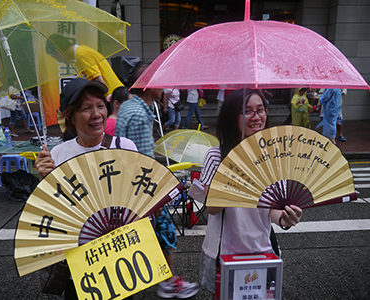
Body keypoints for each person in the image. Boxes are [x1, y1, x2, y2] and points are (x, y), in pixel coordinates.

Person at [35, 78, 137, 299]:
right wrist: (44, 180)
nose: (97, 114)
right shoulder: (57, 155)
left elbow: (138, 201)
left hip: (120, 258)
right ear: (70, 116)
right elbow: (50, 212)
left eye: (100, 106)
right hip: (78, 261)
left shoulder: (124, 147)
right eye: (86, 109)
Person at [199, 89, 302, 296]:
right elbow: (211, 207)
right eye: (247, 111)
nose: (256, 117)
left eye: (260, 110)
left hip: (262, 250)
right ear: (231, 117)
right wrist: (239, 173)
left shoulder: (275, 158)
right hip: (224, 252)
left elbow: (272, 209)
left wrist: (285, 218)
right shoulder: (216, 156)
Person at [116, 63, 199, 299]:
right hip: (143, 187)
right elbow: (138, 157)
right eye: (160, 80)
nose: (165, 86)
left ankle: (164, 279)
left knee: (152, 234)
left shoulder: (130, 107)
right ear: (148, 83)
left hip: (134, 186)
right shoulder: (139, 113)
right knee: (164, 231)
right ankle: (168, 282)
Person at [46, 34, 123, 96]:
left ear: (58, 52)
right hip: (113, 96)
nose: (57, 60)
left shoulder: (81, 55)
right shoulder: (79, 55)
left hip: (112, 97)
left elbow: (97, 81)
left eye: (54, 57)